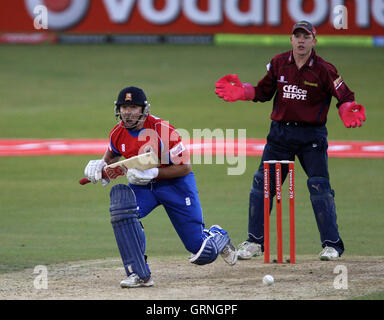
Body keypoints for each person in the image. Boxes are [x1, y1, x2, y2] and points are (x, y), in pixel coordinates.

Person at [214, 21, 366, 261]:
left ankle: (332, 245)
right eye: (297, 36)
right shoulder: (278, 63)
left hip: (311, 137)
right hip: (280, 135)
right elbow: (263, 92)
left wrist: (347, 107)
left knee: (319, 188)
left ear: (314, 41)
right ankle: (254, 242)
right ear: (291, 39)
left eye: (306, 37)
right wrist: (242, 92)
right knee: (262, 187)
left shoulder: (325, 69)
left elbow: (344, 94)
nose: (301, 41)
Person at [84, 86, 237, 288]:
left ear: (144, 109)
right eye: (124, 107)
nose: (128, 112)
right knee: (123, 211)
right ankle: (139, 274)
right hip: (144, 188)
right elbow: (113, 154)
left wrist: (154, 173)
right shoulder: (117, 133)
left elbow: (184, 167)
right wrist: (102, 166)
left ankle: (218, 236)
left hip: (176, 185)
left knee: (202, 252)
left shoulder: (163, 130)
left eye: (133, 107)